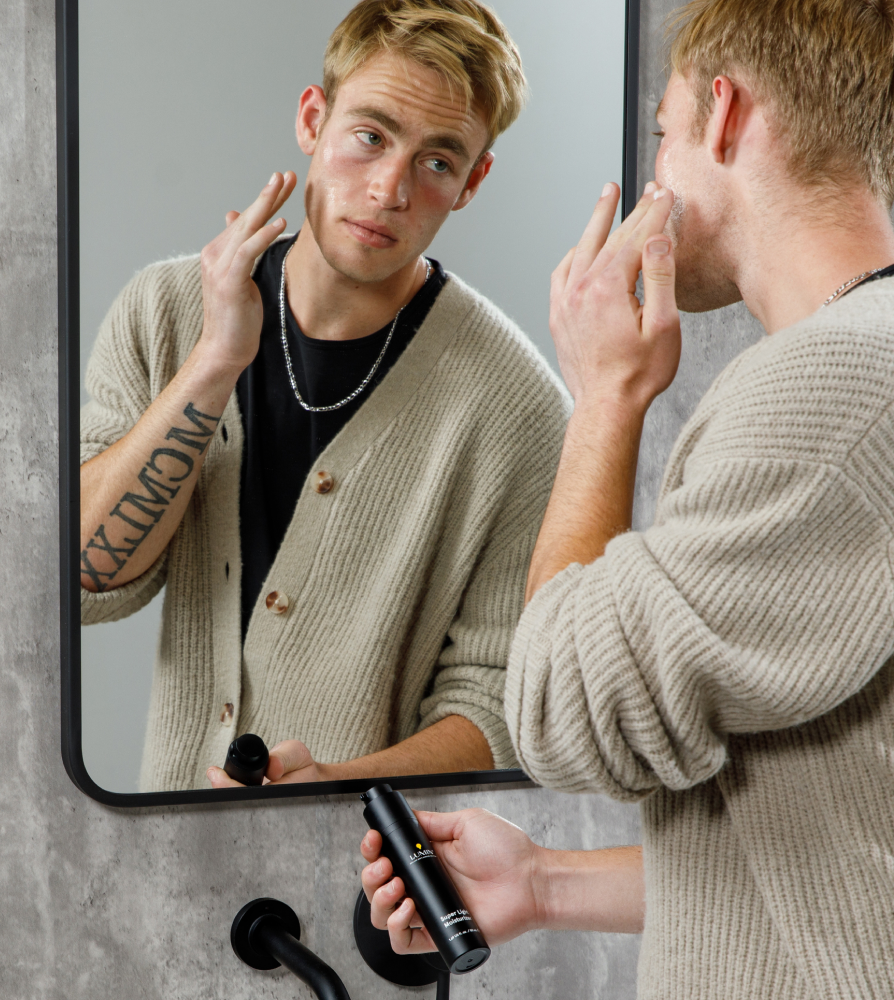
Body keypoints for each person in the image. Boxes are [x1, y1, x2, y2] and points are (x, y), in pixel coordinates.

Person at [361, 1, 894, 996]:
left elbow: (560, 708)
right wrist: (540, 881)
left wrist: (605, 394)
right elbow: (873, 840)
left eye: (662, 134)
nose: (652, 176)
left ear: (724, 115)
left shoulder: (844, 386)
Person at [79, 0, 569, 793]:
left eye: (437, 161)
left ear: (473, 181)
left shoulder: (519, 412)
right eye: (370, 136)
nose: (389, 188)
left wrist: (334, 789)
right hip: (159, 865)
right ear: (314, 119)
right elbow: (81, 573)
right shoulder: (166, 310)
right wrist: (212, 365)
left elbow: (501, 707)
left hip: (371, 879)